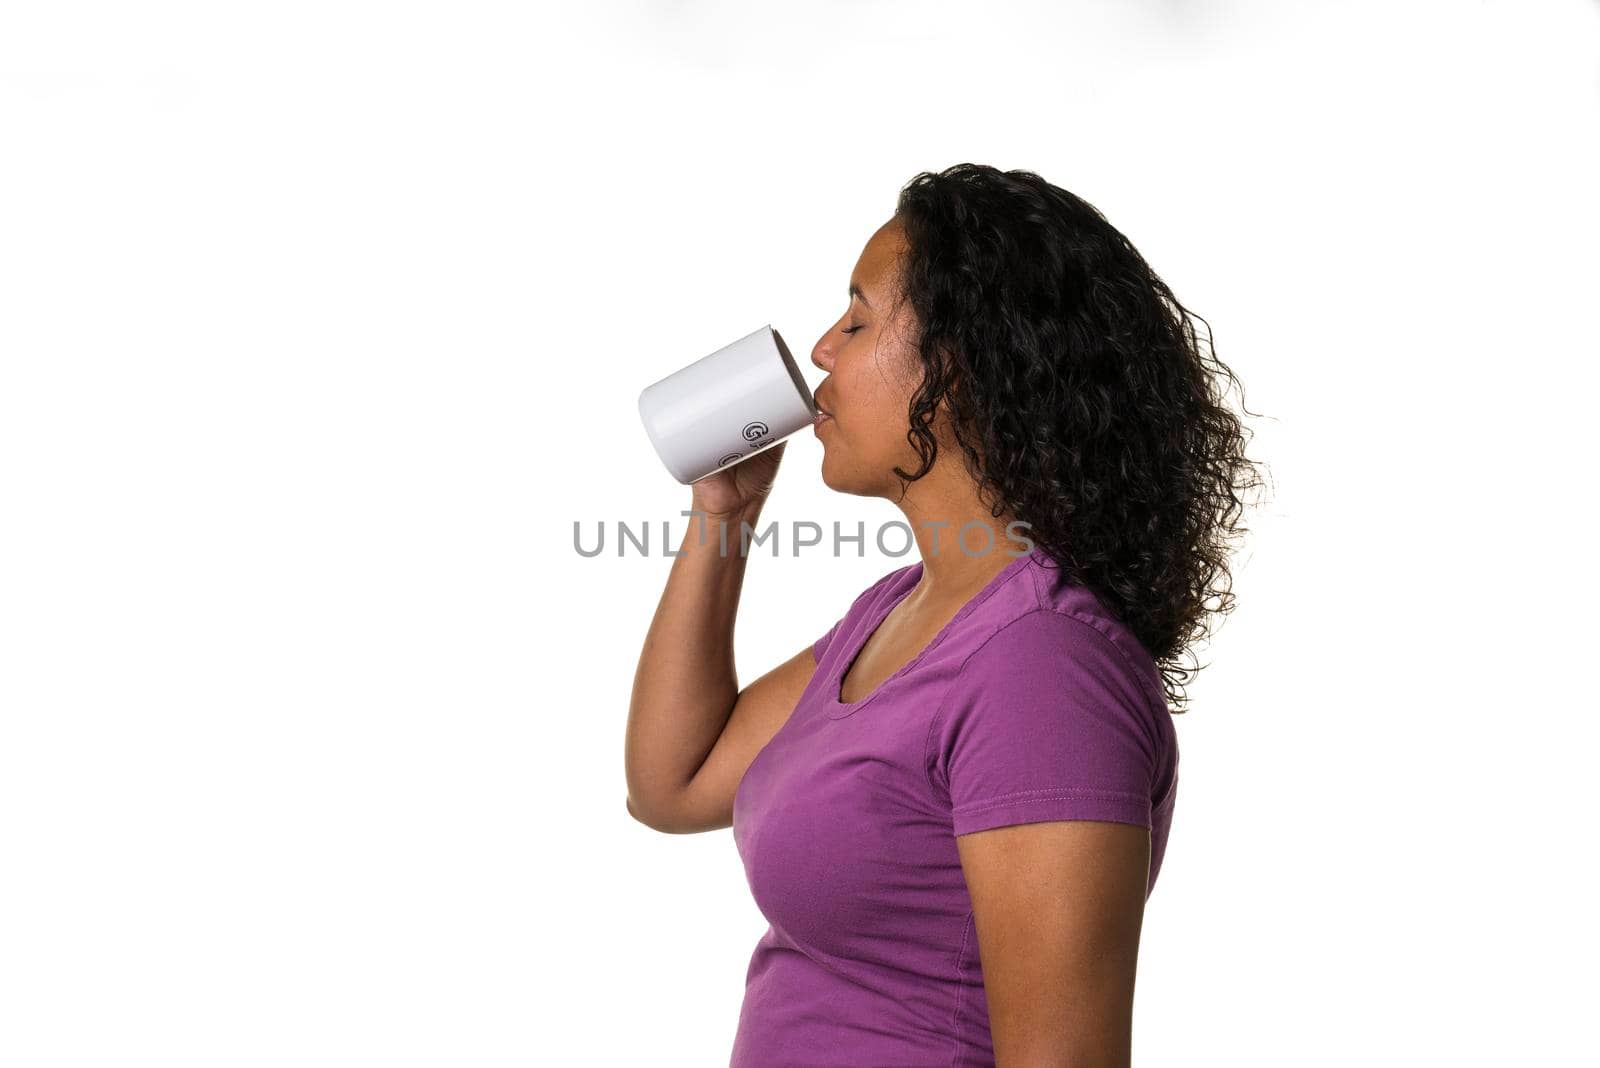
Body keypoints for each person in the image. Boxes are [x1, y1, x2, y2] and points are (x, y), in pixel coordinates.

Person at [624, 163, 1262, 1067]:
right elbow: (672, 783)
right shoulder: (899, 613)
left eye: (857, 320)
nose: (819, 352)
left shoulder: (1042, 671)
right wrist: (721, 514)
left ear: (960, 366)